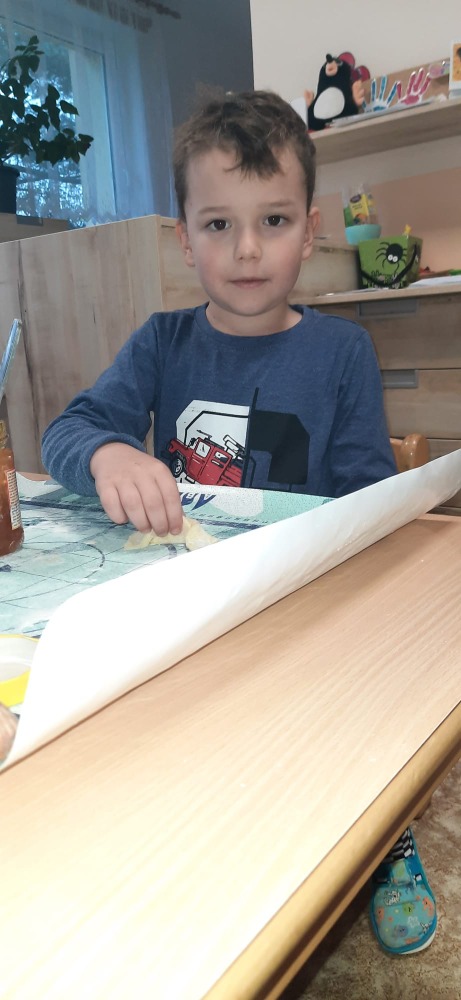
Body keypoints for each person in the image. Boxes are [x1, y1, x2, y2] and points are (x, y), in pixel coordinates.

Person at [41, 89, 436, 955]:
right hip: (189, 605)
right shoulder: (162, 342)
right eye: (218, 225)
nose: (246, 249)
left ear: (311, 230)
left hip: (304, 604)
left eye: (273, 221)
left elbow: (369, 497)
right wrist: (109, 454)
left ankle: (387, 832)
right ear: (185, 238)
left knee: (360, 718)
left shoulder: (341, 351)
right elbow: (67, 430)